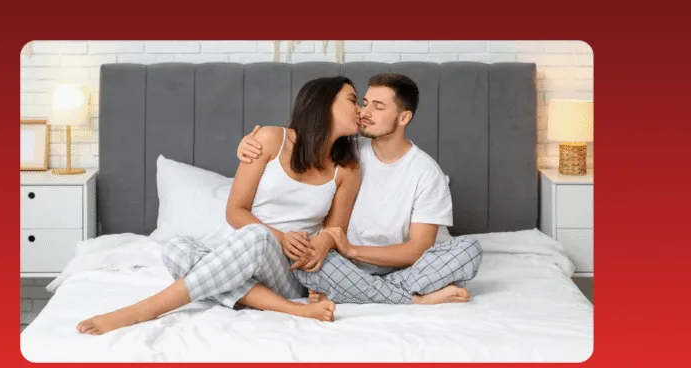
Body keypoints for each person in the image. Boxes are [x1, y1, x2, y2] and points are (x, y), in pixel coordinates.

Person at [77, 76, 363, 335]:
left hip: (289, 271)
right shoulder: (269, 140)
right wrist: (281, 236)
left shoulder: (348, 168)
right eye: (352, 99)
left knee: (256, 236)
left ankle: (144, 310)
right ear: (323, 103)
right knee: (177, 249)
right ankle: (292, 310)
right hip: (244, 250)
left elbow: (335, 231)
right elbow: (235, 211)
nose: (360, 110)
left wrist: (316, 244)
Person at [236, 73, 483, 306]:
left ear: (404, 118)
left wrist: (352, 249)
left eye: (378, 106)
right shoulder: (344, 150)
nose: (364, 112)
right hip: (336, 264)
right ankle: (413, 298)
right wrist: (248, 144)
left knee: (469, 251)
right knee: (310, 263)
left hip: (393, 266)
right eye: (364, 103)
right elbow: (298, 143)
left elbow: (418, 249)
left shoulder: (427, 173)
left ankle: (369, 291)